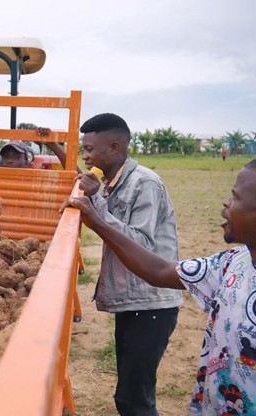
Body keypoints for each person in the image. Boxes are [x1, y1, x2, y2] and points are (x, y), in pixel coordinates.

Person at [66, 155, 256, 415]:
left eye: (236, 197)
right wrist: (96, 222)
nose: (225, 202)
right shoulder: (232, 263)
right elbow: (159, 270)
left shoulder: (145, 182)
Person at [74, 113, 184, 415]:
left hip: (152, 303)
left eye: (90, 150)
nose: (85, 156)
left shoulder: (143, 183)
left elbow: (142, 245)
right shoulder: (112, 181)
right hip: (134, 302)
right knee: (127, 393)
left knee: (134, 398)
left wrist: (96, 209)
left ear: (114, 147)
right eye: (84, 149)